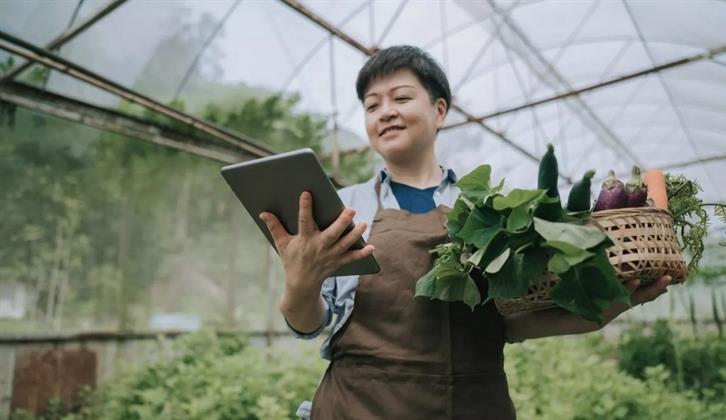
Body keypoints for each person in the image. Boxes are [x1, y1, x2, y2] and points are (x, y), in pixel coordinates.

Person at [259, 45, 672, 420]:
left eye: (401, 98)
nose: (385, 112)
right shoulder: (343, 206)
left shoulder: (492, 206)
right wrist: (301, 282)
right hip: (357, 406)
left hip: (472, 404)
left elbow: (509, 324)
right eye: (371, 106)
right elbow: (310, 323)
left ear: (439, 111)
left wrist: (602, 311)